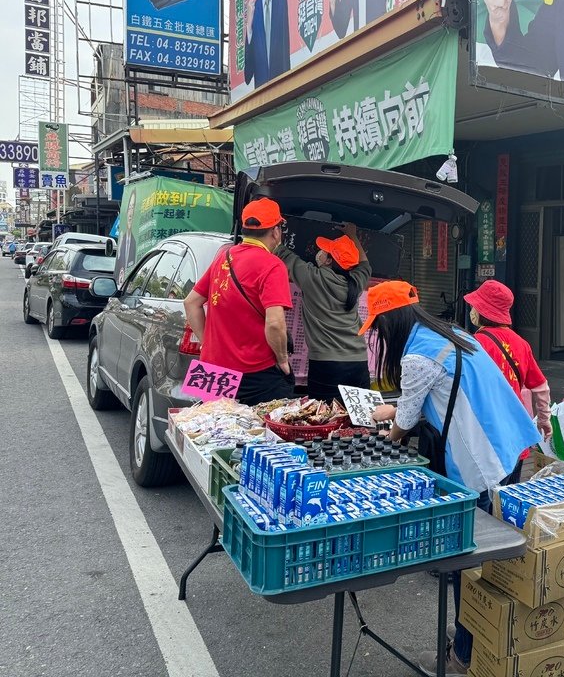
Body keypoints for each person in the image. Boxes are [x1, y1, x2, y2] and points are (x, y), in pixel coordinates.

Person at [363, 281, 540, 675]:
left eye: (376, 327)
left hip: (477, 461)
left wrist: (388, 427)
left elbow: (406, 423)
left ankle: (462, 655)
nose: (375, 336)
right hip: (508, 448)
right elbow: (443, 394)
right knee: (485, 556)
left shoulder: (416, 358)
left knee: (465, 559)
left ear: (389, 322)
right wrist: (395, 414)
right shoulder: (451, 333)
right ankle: (477, 632)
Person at [184, 198, 294, 405]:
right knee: (259, 433)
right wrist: (282, 359)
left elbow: (191, 302)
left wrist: (207, 343)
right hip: (254, 373)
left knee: (209, 431)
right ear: (276, 231)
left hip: (211, 369)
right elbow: (275, 323)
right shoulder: (273, 265)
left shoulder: (223, 258)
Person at [464, 280, 553, 481]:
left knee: (487, 502)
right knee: (508, 497)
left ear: (481, 311)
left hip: (486, 434)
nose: (471, 311)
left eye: (473, 307)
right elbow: (540, 386)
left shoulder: (476, 344)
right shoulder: (521, 343)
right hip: (515, 433)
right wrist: (544, 419)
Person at [275, 224, 372, 400]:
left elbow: (282, 252)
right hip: (359, 362)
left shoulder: (313, 278)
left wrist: (275, 231)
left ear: (328, 261)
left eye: (324, 251)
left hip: (327, 365)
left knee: (325, 419)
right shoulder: (356, 281)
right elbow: (365, 265)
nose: (319, 252)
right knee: (360, 419)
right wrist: (353, 236)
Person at [115, 188, 139, 287]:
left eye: (133, 208)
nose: (130, 213)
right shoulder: (121, 239)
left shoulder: (136, 243)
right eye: (129, 208)